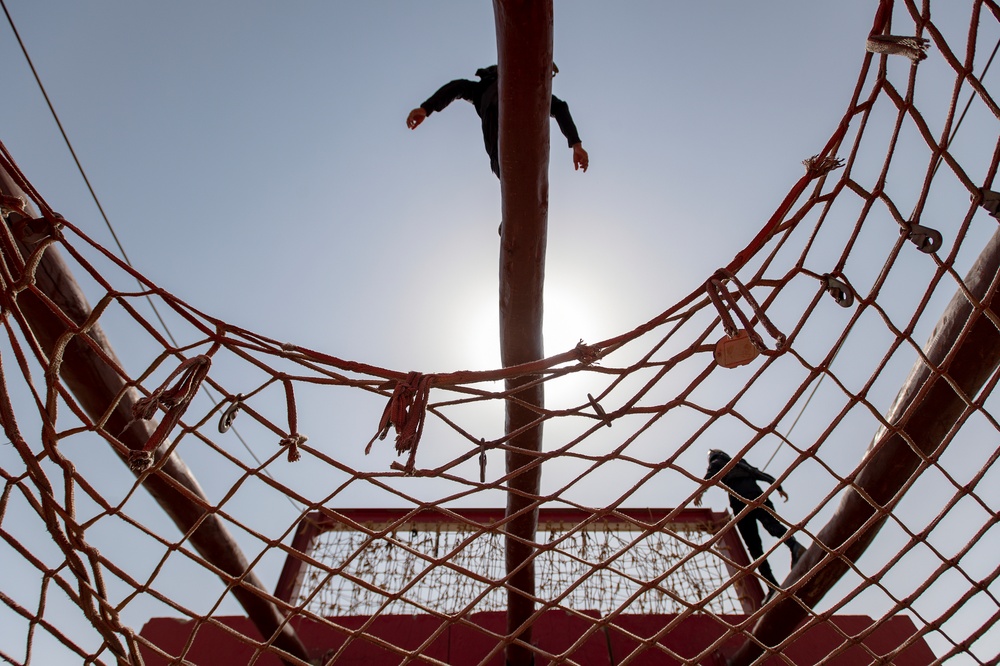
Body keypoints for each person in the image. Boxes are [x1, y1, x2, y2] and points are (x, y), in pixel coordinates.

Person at [406, 64, 589, 177]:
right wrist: (426, 107)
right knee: (502, 160)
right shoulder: (482, 89)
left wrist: (576, 143)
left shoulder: (527, 88)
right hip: (499, 135)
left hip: (522, 131)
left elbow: (558, 107)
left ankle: (517, 205)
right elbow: (457, 88)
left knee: (506, 155)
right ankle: (513, 210)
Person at [694, 449, 806, 592]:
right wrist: (778, 486)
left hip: (740, 502)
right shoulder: (740, 462)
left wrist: (700, 492)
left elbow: (710, 477)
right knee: (773, 525)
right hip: (757, 495)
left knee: (754, 546)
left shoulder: (717, 463)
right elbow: (756, 472)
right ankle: (795, 546)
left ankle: (771, 585)